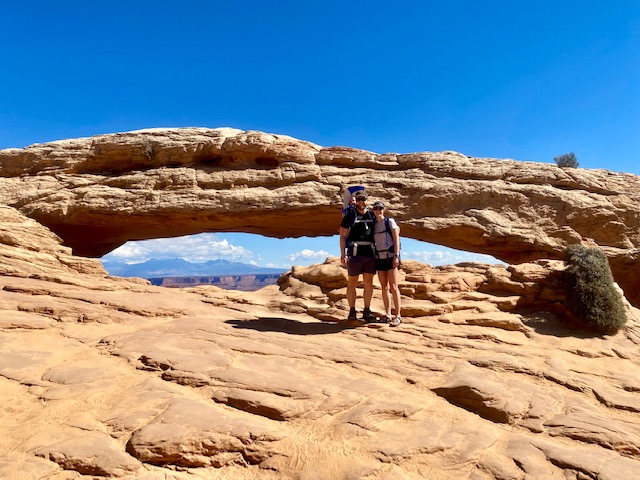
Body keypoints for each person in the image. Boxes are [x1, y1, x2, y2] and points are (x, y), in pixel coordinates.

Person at [340, 191, 377, 324]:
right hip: (355, 253)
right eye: (359, 199)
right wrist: (343, 254)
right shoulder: (350, 216)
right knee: (352, 282)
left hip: (370, 253)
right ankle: (352, 310)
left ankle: (367, 310)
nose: (361, 202)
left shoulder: (373, 215)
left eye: (363, 199)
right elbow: (343, 236)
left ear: (367, 200)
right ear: (356, 201)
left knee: (368, 283)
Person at [371, 200, 402, 326]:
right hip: (380, 258)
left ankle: (398, 315)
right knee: (384, 287)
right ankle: (388, 314)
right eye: (376, 209)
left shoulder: (389, 222)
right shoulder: (374, 225)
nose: (378, 211)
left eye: (380, 208)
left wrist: (396, 256)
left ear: (383, 210)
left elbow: (396, 240)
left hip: (390, 257)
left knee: (394, 287)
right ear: (373, 211)